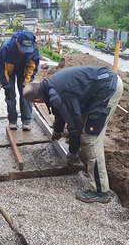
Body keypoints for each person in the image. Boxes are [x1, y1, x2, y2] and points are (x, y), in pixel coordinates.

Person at [23, 65, 123, 204]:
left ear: (37, 100)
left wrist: (72, 153)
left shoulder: (59, 94)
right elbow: (60, 111)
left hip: (107, 88)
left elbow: (74, 127)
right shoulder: (49, 87)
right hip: (97, 86)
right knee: (81, 128)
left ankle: (101, 192)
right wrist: (57, 131)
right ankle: (88, 163)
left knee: (90, 138)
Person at [0, 30, 39, 131]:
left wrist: (27, 83)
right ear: (16, 42)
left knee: (27, 93)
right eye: (22, 48)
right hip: (9, 70)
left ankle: (26, 121)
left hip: (23, 69)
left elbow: (32, 67)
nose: (24, 51)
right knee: (10, 94)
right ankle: (12, 120)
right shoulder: (7, 47)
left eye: (27, 49)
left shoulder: (33, 47)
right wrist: (6, 85)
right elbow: (0, 68)